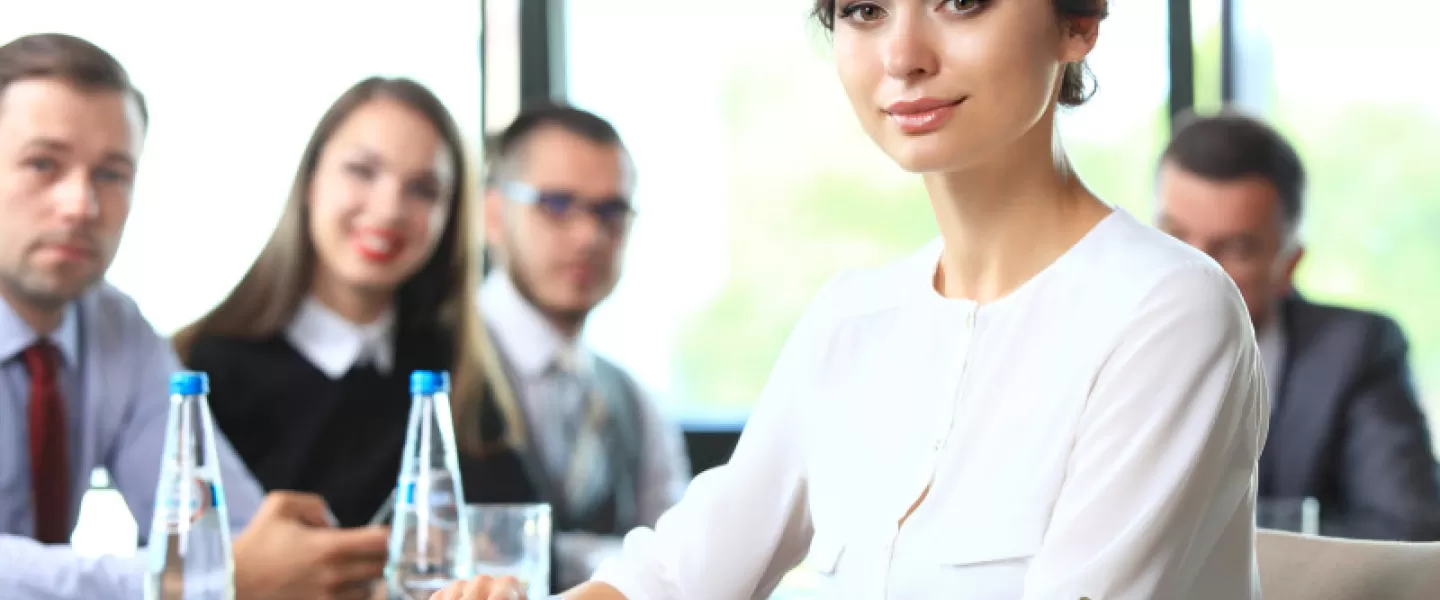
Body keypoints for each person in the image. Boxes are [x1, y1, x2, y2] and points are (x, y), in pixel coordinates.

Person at [440, 0, 1268, 598]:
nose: (902, 55)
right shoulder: (851, 317)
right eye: (865, 10)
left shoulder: (1167, 310)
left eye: (961, 1)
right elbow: (681, 572)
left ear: (1078, 23)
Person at [0, 33, 390, 600]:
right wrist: (200, 582)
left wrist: (302, 561)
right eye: (43, 164)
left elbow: (228, 533)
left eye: (111, 174)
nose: (81, 205)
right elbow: (226, 571)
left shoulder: (116, 329)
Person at [172, 77, 540, 532]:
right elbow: (179, 557)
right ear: (310, 182)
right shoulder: (201, 370)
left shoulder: (454, 370)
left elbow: (518, 541)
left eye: (423, 189)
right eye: (362, 171)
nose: (389, 210)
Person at [1156, 111, 1440, 541]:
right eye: (1173, 236)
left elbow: (1408, 530)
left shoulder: (1357, 351)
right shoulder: (1097, 343)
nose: (1193, 270)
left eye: (1235, 249)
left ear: (1288, 264)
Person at [480, 104, 690, 588]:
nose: (589, 236)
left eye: (611, 212)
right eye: (556, 205)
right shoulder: (430, 362)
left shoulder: (635, 402)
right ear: (493, 215)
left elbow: (682, 567)